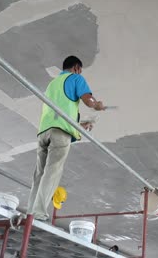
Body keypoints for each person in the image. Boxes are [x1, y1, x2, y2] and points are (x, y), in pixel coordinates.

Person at [27, 55, 106, 221]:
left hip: (44, 131)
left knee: (39, 173)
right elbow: (88, 101)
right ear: (76, 68)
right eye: (80, 70)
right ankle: (39, 212)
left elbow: (60, 110)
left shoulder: (52, 84)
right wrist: (97, 104)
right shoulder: (76, 78)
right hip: (59, 133)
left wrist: (79, 127)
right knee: (52, 171)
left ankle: (30, 211)